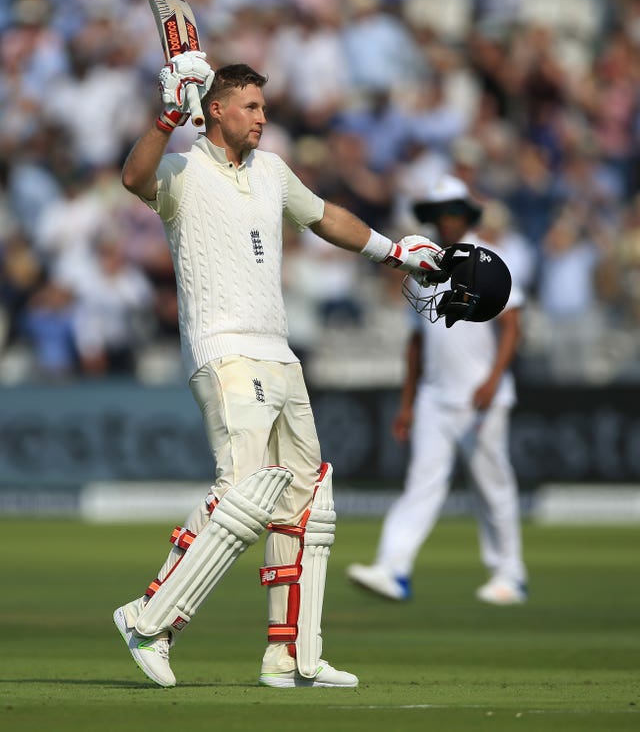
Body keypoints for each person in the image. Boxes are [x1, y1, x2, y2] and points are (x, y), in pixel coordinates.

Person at [113, 50, 445, 689]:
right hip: (224, 347)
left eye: (265, 107)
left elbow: (326, 218)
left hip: (279, 351)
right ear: (215, 109)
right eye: (252, 107)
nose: (263, 118)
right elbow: (133, 180)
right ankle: (149, 619)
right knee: (242, 488)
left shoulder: (272, 171)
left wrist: (392, 251)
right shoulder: (182, 170)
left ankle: (292, 656)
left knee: (306, 499)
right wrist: (163, 118)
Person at [347, 174, 528, 605]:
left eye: (453, 214)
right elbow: (416, 342)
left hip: (482, 397)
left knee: (492, 484)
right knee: (422, 483)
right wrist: (407, 403)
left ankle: (510, 574)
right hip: (434, 396)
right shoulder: (423, 267)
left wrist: (492, 379)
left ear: (466, 216)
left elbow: (513, 325)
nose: (446, 222)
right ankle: (393, 569)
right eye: (439, 215)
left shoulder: (492, 261)